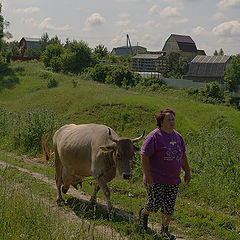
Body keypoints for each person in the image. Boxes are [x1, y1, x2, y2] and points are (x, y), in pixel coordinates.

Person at [139, 108, 190, 240]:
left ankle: (164, 230)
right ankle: (143, 214)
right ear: (161, 121)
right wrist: (148, 175)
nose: (172, 121)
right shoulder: (154, 136)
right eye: (168, 119)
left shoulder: (178, 137)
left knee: (169, 206)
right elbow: (144, 156)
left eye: (173, 119)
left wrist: (187, 172)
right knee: (155, 203)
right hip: (155, 178)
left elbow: (183, 156)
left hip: (173, 179)